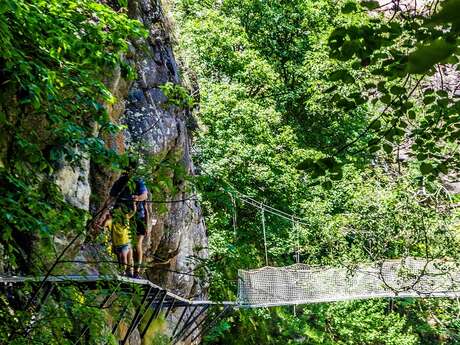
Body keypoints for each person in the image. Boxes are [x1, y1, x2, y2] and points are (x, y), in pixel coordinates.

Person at [109, 169, 150, 279]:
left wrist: (137, 198)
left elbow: (144, 196)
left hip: (138, 217)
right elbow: (111, 199)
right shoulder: (119, 182)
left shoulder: (138, 181)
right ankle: (126, 271)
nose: (126, 173)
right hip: (121, 216)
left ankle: (136, 272)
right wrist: (103, 215)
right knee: (122, 245)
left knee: (136, 245)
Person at [104, 203, 136, 277]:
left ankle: (124, 272)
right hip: (117, 244)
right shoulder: (112, 221)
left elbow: (133, 212)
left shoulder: (125, 218)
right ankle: (124, 272)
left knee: (124, 258)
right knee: (120, 260)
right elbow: (105, 224)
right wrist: (106, 218)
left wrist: (134, 203)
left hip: (126, 243)